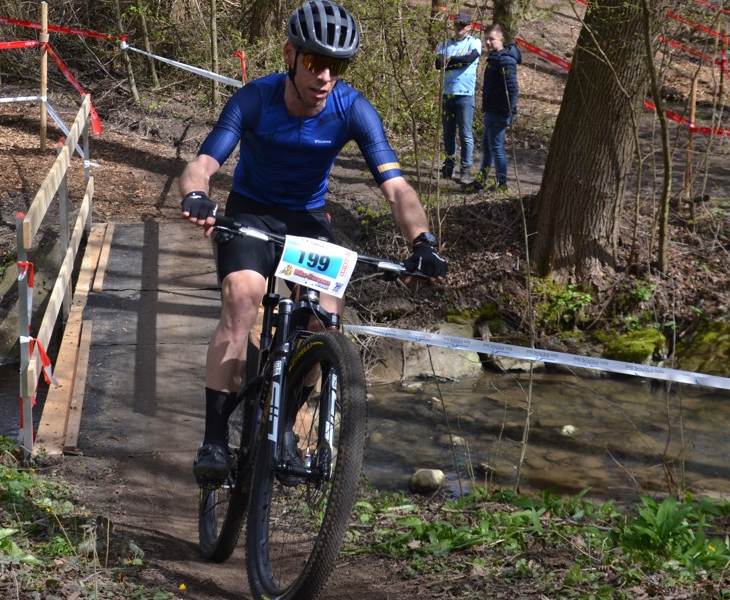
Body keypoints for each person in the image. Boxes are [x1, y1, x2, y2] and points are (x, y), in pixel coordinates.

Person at [178, 0, 448, 486]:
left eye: (336, 66)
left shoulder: (353, 109)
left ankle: (281, 428)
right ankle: (214, 440)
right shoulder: (254, 100)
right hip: (251, 213)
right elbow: (202, 162)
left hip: (307, 222)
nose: (324, 75)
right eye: (313, 62)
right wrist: (197, 195)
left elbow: (397, 188)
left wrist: (423, 241)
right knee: (241, 300)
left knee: (325, 317)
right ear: (289, 54)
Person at [465, 23, 521, 193]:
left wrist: (509, 112)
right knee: (487, 147)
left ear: (501, 39)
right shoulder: (496, 57)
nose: (488, 42)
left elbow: (512, 88)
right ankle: (482, 180)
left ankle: (501, 184)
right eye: (486, 39)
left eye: (492, 39)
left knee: (496, 148)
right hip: (491, 110)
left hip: (499, 112)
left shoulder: (504, 59)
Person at [434, 11, 482, 185]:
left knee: (465, 134)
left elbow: (469, 59)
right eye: (457, 24)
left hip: (465, 95)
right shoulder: (445, 43)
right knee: (448, 132)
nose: (459, 28)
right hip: (448, 94)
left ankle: (465, 170)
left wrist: (450, 60)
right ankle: (448, 167)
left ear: (469, 27)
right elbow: (438, 64)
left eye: (462, 25)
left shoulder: (475, 42)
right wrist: (455, 60)